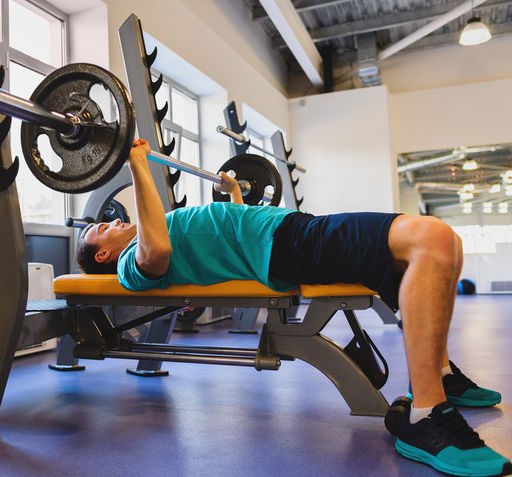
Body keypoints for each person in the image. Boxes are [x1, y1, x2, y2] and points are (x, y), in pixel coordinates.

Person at [77, 139, 511, 477]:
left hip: (285, 232)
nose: (112, 219)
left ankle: (441, 375)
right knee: (431, 238)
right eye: (101, 228)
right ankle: (425, 414)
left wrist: (232, 195)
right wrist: (138, 169)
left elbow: (228, 238)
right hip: (285, 247)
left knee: (445, 245)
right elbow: (157, 253)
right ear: (102, 256)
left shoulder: (149, 234)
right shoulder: (134, 264)